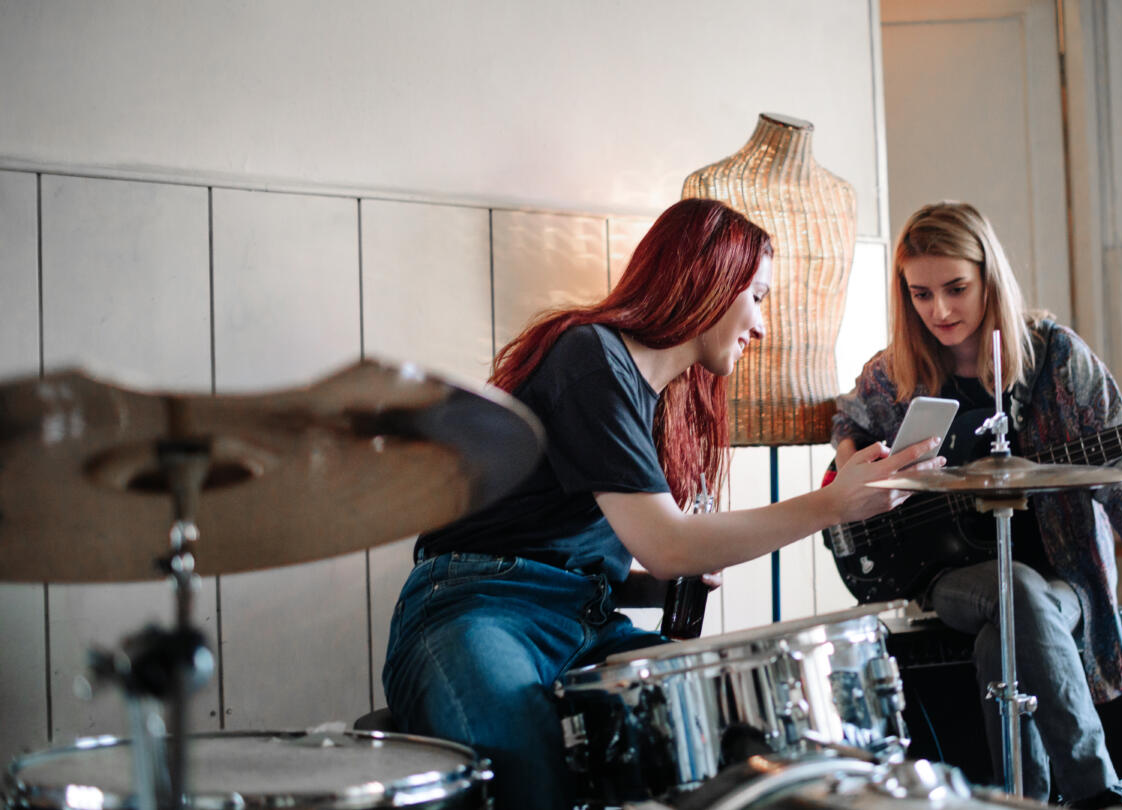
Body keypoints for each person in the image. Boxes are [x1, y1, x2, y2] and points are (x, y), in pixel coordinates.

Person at [382, 198, 942, 810]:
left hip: (581, 620)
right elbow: (667, 543)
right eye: (757, 296)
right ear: (708, 279)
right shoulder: (590, 355)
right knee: (529, 775)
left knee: (730, 737)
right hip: (477, 608)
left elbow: (579, 553)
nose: (761, 326)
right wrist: (833, 504)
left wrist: (651, 588)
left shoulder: (654, 402)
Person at [831, 202, 1122, 808]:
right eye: (920, 294)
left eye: (956, 289)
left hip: (1065, 584)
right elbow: (849, 416)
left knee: (1012, 613)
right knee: (1012, 587)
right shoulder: (898, 369)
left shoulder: (1058, 358)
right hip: (944, 576)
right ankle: (1100, 797)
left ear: (988, 278)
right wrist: (850, 460)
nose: (939, 310)